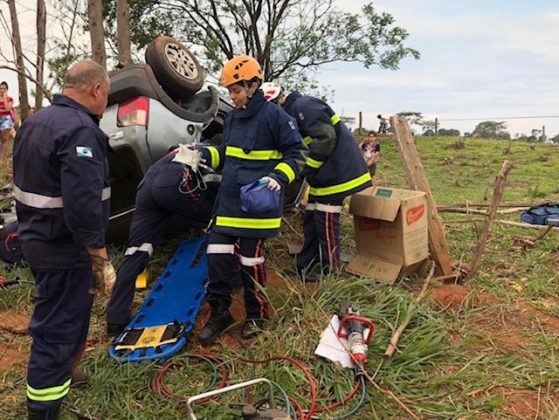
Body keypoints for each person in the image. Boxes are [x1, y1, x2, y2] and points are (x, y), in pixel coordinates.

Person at [12, 60, 116, 420]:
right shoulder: (80, 131)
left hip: (38, 238)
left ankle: (66, 371)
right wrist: (99, 256)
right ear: (97, 90)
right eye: (107, 95)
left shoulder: (35, 122)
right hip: (64, 249)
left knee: (73, 315)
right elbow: (82, 204)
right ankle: (43, 407)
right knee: (56, 330)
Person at [195, 56, 307, 345]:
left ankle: (258, 315)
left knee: (250, 261)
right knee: (217, 256)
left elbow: (297, 154)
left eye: (236, 90)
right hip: (228, 203)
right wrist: (202, 154)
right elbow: (227, 154)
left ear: (254, 86)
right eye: (229, 91)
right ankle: (220, 312)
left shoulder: (276, 117)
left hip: (257, 206)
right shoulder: (233, 118)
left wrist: (279, 177)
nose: (232, 97)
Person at [106, 147, 220, 336]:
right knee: (219, 225)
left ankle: (115, 319)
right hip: (173, 181)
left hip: (146, 185)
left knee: (137, 251)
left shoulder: (176, 154)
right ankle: (228, 283)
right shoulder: (214, 152)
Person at [263, 84, 371, 280]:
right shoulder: (292, 115)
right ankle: (305, 265)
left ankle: (330, 273)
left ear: (277, 102)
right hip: (323, 176)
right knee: (311, 219)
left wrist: (305, 169)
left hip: (337, 173)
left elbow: (326, 138)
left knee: (325, 221)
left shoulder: (303, 106)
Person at [0, 81, 15, 164]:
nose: (2, 90)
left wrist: (5, 98)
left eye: (4, 89)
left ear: (7, 90)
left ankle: (2, 160)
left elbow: (7, 109)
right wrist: (3, 110)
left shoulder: (10, 99)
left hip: (6, 119)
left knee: (4, 139)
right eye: (1, 88)